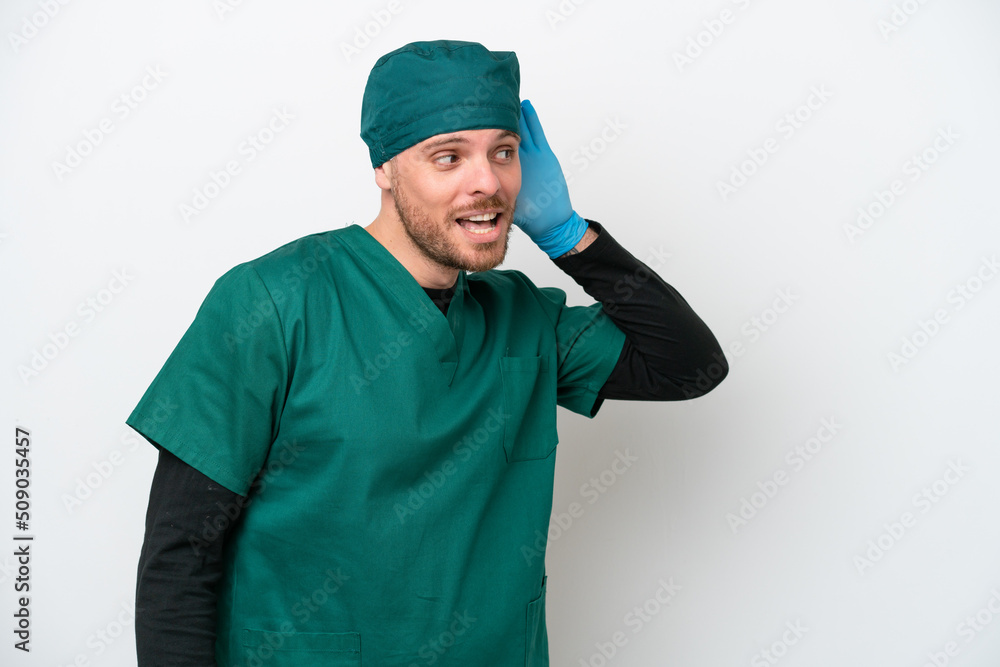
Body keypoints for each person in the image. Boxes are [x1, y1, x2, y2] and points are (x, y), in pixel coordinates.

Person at [130, 39, 727, 666]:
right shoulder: (273, 303)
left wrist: (569, 236)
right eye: (449, 157)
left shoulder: (521, 315)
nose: (488, 182)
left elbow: (690, 366)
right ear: (385, 168)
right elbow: (181, 552)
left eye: (504, 151)